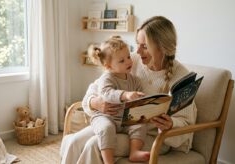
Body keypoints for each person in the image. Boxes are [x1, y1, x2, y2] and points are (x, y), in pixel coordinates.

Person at [60, 16, 197, 164]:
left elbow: (186, 124)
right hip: (115, 123)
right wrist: (95, 103)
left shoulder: (182, 76)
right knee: (73, 142)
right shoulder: (130, 61)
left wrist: (171, 124)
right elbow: (95, 88)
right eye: (137, 44)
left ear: (162, 47)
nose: (137, 51)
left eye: (144, 46)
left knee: (94, 145)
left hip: (148, 135)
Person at [85, 36, 150, 164]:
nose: (128, 61)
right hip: (105, 116)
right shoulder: (107, 78)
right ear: (108, 66)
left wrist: (141, 100)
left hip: (124, 119)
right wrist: (125, 95)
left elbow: (140, 95)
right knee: (106, 129)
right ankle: (109, 161)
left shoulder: (134, 80)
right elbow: (106, 94)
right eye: (121, 61)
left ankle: (134, 152)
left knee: (140, 124)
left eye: (128, 57)